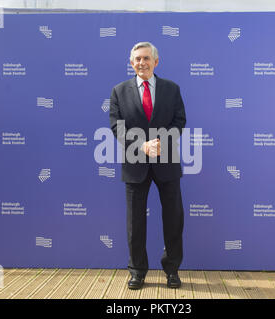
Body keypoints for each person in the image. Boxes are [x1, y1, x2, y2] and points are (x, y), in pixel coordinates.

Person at [110, 42, 187, 290]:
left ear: (156, 61)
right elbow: (117, 127)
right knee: (135, 223)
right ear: (131, 63)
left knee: (173, 219)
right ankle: (137, 271)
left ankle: (172, 270)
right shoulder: (119, 91)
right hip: (135, 164)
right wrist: (142, 146)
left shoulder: (171, 89)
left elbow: (179, 120)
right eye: (136, 59)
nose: (141, 63)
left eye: (145, 58)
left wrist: (161, 142)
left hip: (167, 162)